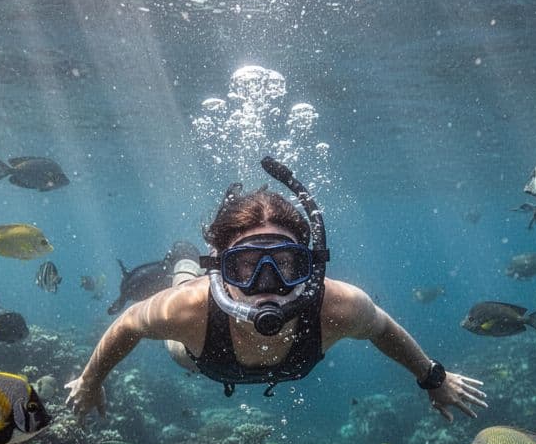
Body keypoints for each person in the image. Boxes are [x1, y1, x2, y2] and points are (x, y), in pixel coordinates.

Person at [65, 157, 487, 422]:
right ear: (222, 269)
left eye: (285, 264)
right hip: (198, 358)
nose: (266, 283)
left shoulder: (339, 305)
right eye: (245, 265)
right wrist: (90, 380)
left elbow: (380, 327)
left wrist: (431, 377)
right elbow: (129, 323)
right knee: (181, 299)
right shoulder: (188, 310)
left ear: (309, 265)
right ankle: (187, 263)